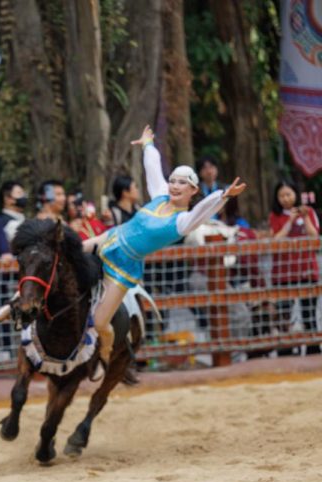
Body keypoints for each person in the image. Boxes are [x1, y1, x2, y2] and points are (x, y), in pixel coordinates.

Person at [81, 125, 247, 381]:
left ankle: (105, 355)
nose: (175, 185)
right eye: (173, 181)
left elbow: (202, 211)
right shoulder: (159, 196)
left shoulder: (182, 221)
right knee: (68, 251)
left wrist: (222, 196)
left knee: (101, 321)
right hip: (110, 238)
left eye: (183, 182)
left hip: (124, 266)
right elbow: (153, 170)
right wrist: (148, 144)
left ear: (193, 190)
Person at [269, 180, 320, 355]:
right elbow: (276, 240)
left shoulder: (309, 212)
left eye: (288, 194)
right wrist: (290, 221)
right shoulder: (275, 215)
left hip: (307, 271)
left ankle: (313, 349)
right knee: (284, 315)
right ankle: (286, 351)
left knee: (309, 314)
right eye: (281, 195)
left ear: (296, 195)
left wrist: (305, 218)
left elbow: (314, 237)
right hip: (283, 273)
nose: (285, 198)